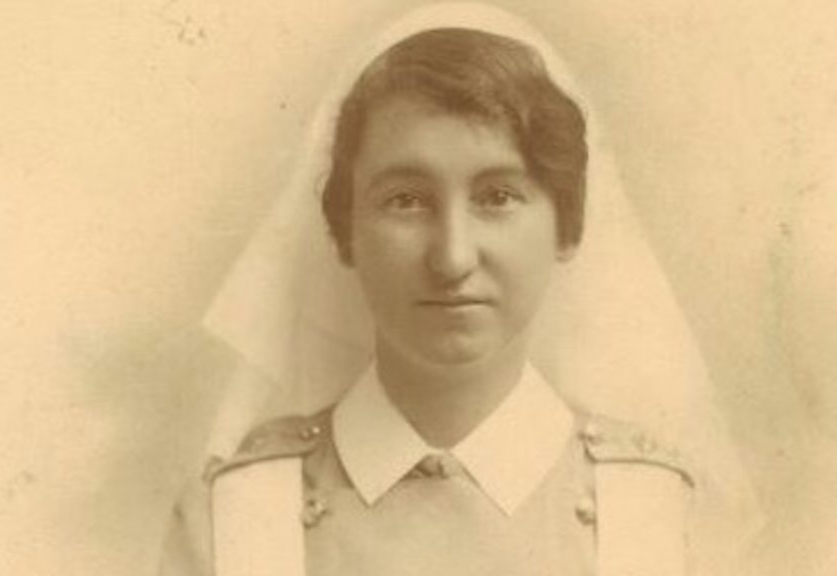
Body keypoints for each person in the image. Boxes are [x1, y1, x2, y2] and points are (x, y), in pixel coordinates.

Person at [159, 5, 761, 576]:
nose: (452, 258)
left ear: (568, 225)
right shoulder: (240, 517)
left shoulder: (656, 514)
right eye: (406, 200)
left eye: (497, 197)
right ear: (344, 231)